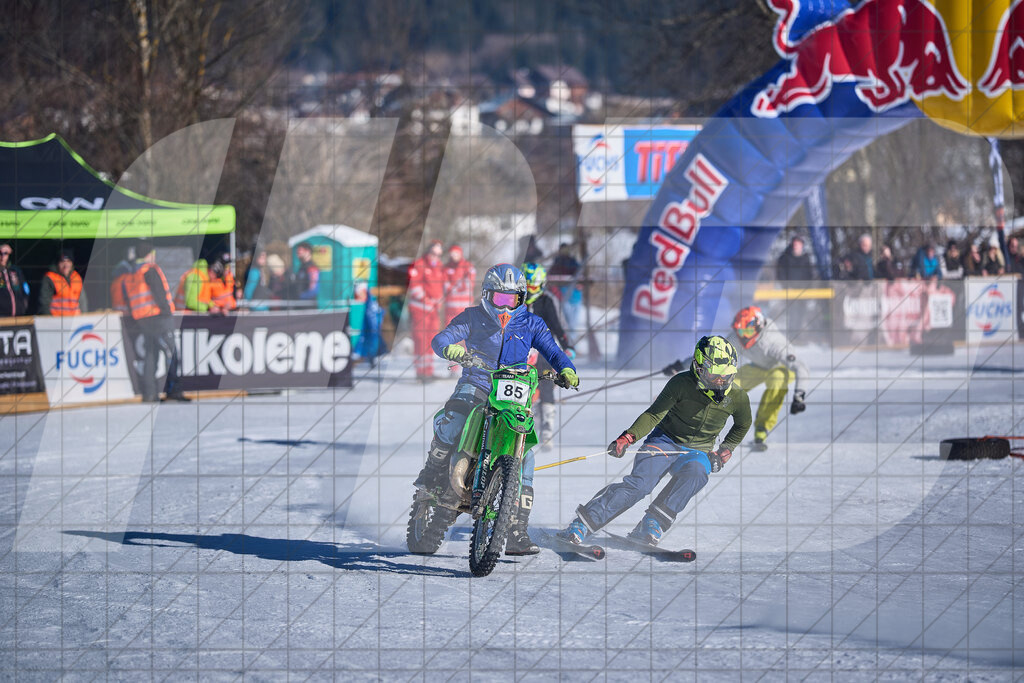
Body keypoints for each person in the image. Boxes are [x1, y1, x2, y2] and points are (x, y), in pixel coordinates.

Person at [414, 263, 578, 555]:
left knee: (526, 454)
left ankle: (516, 531)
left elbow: (553, 351)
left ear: (521, 299)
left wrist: (567, 369)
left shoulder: (532, 323)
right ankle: (432, 472)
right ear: (487, 295)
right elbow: (441, 338)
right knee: (453, 422)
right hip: (476, 383)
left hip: (513, 392)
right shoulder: (472, 317)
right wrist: (452, 349)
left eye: (512, 300)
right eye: (499, 299)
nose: (505, 307)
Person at [558, 335, 749, 547]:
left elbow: (743, 424)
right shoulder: (680, 383)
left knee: (697, 473)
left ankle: (652, 523)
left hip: (698, 451)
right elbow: (653, 415)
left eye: (726, 375)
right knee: (640, 485)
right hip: (664, 441)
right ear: (699, 368)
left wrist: (726, 449)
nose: (721, 381)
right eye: (715, 375)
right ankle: (583, 524)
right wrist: (629, 436)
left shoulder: (737, 397)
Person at [727, 305, 809, 450]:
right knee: (726, 386)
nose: (744, 336)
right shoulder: (736, 338)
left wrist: (799, 396)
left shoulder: (774, 343)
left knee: (777, 380)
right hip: (758, 367)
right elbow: (713, 353)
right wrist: (685, 364)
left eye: (748, 331)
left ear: (758, 326)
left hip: (781, 367)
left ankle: (762, 429)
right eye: (740, 331)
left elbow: (801, 367)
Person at [119, 240, 188, 403]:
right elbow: (160, 294)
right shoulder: (149, 270)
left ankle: (150, 393)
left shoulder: (131, 273)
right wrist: (166, 312)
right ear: (149, 254)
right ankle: (173, 390)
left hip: (141, 319)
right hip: (158, 318)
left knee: (151, 354)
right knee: (172, 353)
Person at [522, 262, 575, 448]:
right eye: (527, 286)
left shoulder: (546, 302)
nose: (530, 291)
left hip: (542, 350)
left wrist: (567, 346)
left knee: (545, 382)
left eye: (533, 286)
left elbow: (558, 327)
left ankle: (547, 427)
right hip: (519, 350)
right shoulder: (515, 302)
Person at [407, 240, 446, 380]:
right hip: (420, 309)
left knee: (431, 340)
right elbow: (414, 287)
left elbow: (440, 287)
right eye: (433, 253)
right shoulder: (419, 265)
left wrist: (439, 301)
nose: (435, 257)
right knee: (421, 340)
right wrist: (426, 300)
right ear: (428, 252)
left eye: (439, 255)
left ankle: (428, 371)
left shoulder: (439, 267)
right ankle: (421, 372)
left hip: (433, 311)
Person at [38, 249, 87, 316]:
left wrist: (83, 317)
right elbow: (44, 303)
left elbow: (83, 302)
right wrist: (50, 319)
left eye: (68, 261)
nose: (65, 265)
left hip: (75, 319)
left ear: (72, 263)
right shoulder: (49, 278)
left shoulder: (77, 278)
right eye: (62, 261)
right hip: (56, 319)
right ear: (57, 263)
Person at [548, 242, 583, 334]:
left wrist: (580, 283)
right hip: (564, 295)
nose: (565, 252)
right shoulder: (557, 263)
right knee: (567, 322)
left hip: (575, 295)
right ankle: (569, 338)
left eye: (566, 250)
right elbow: (551, 278)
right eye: (563, 250)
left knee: (573, 323)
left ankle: (572, 339)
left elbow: (580, 277)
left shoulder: (573, 262)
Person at [443, 244, 476, 325]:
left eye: (456, 253)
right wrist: (457, 286)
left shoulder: (468, 267)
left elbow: (469, 284)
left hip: (465, 308)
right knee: (449, 330)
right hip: (450, 309)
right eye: (452, 253)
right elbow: (445, 285)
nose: (454, 255)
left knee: (465, 330)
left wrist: (455, 286)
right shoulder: (446, 268)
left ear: (460, 253)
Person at [0, 242, 28, 317]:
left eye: (5, 253)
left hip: (18, 315)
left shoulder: (16, 271)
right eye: (0, 253)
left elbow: (25, 290)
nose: (2, 257)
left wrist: (24, 305)